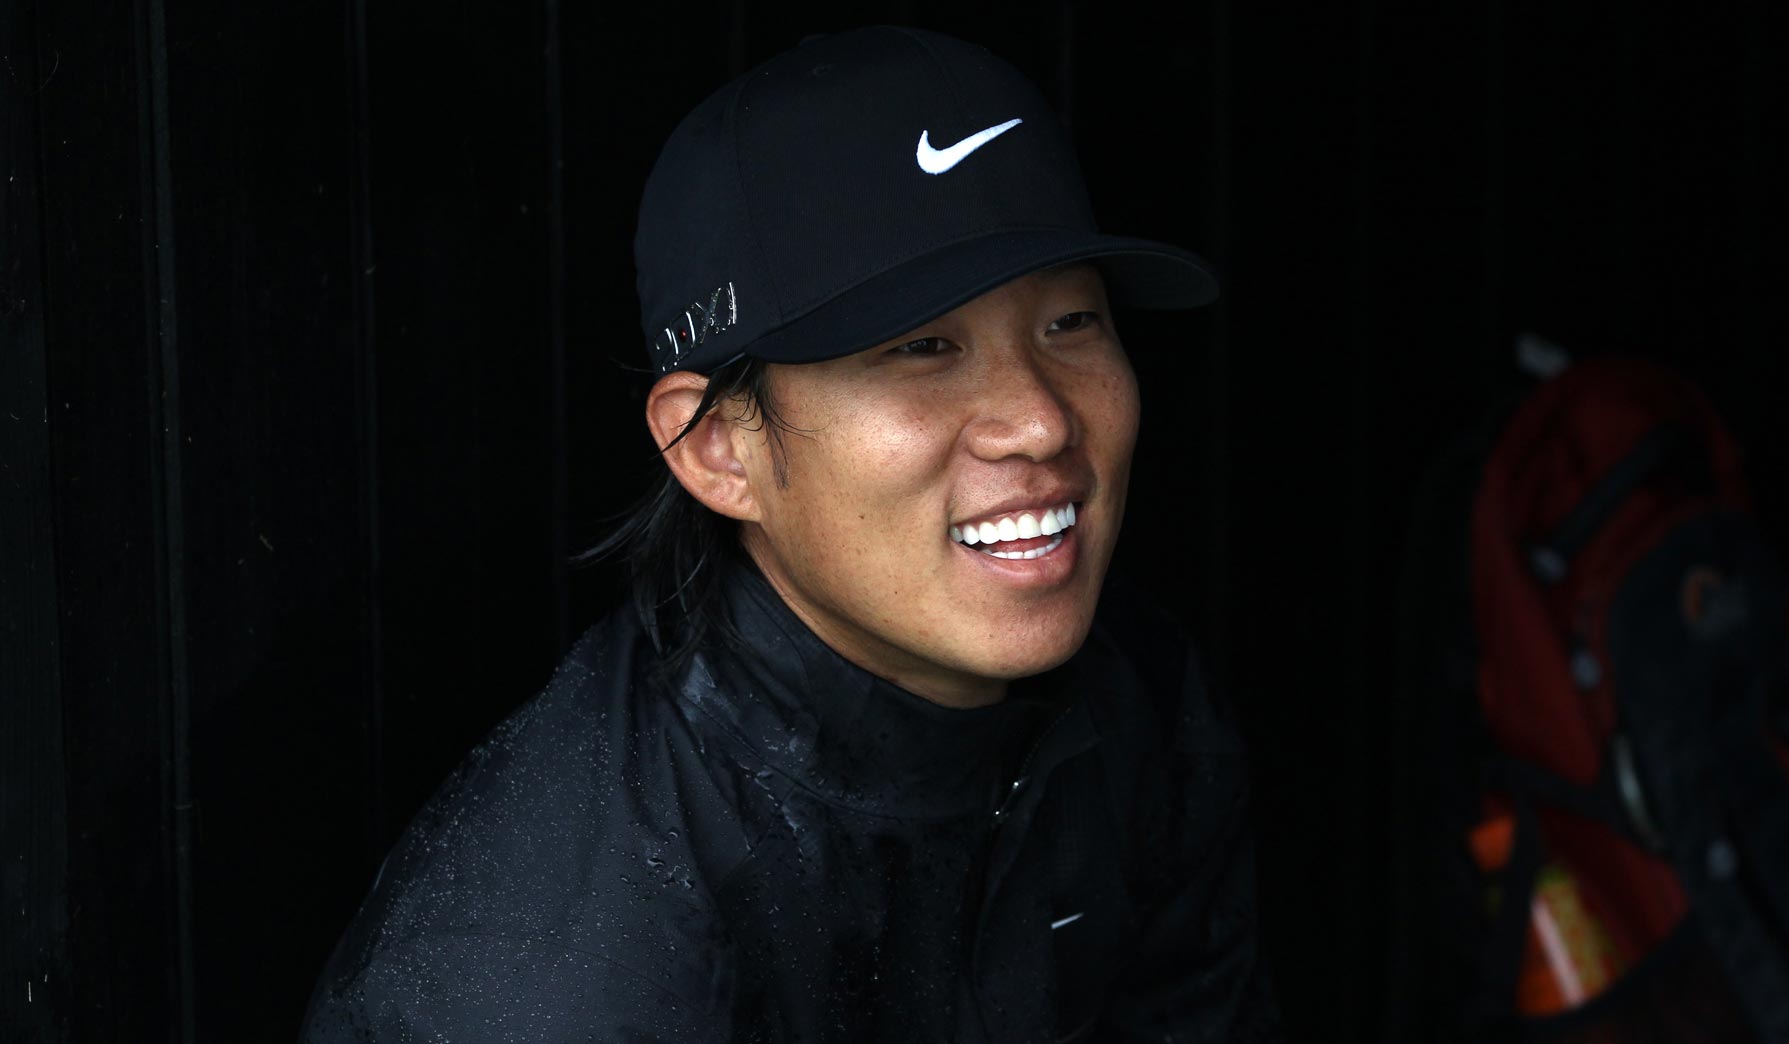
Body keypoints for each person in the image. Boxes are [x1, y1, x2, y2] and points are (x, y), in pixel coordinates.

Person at [301, 25, 1279, 1042]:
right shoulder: (557, 979)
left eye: (1069, 323)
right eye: (924, 347)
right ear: (719, 447)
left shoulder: (1140, 701)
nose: (1038, 417)